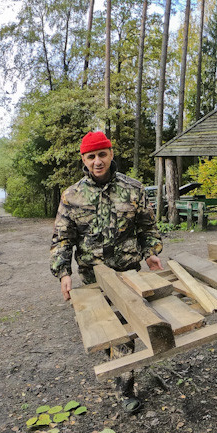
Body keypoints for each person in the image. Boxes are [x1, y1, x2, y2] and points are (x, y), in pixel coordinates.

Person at [50, 130, 164, 413]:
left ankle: (125, 388)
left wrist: (151, 253)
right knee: (104, 331)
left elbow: (148, 227)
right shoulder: (72, 196)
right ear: (84, 159)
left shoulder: (133, 188)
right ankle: (116, 366)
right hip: (92, 278)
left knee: (126, 332)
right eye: (91, 156)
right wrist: (63, 273)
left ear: (111, 154)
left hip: (128, 273)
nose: (98, 161)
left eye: (102, 154)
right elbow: (62, 238)